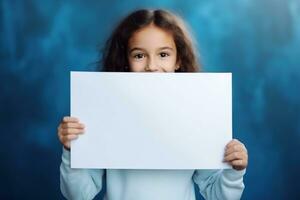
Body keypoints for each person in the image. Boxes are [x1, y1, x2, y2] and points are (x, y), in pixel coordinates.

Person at [58, 9, 248, 200]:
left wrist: (234, 172)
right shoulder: (105, 113)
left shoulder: (197, 115)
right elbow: (79, 195)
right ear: (126, 61)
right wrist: (71, 150)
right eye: (139, 56)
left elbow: (218, 195)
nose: (152, 66)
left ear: (178, 60)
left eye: (163, 54)